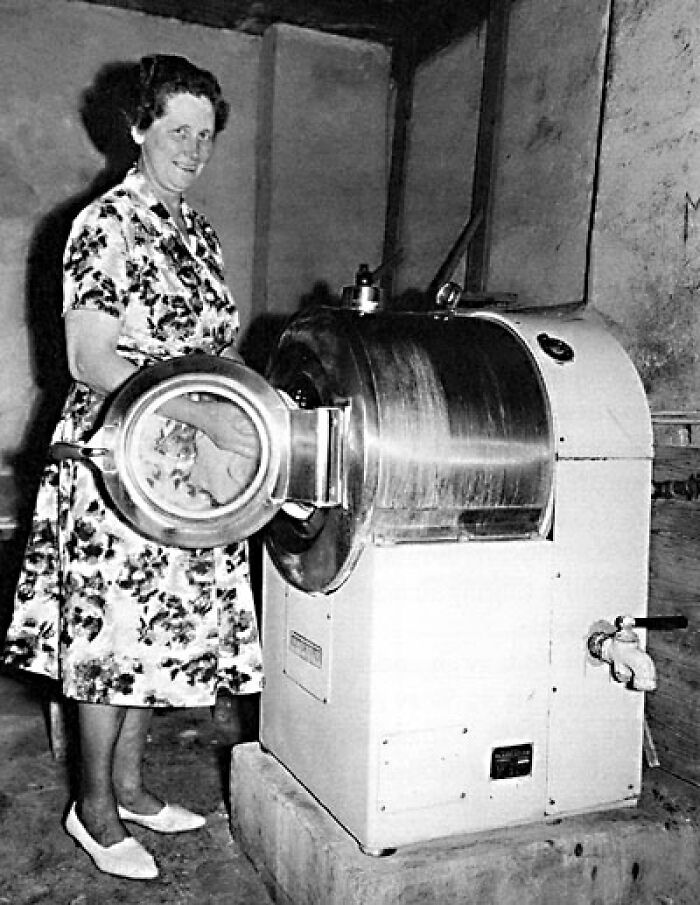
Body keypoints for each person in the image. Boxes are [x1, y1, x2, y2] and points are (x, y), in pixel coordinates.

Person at [2, 54, 263, 881]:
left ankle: (131, 786)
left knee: (154, 632)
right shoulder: (106, 223)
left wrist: (247, 418)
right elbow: (90, 359)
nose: (192, 148)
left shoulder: (197, 232)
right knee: (109, 639)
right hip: (119, 457)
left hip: (185, 470)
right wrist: (208, 416)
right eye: (177, 129)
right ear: (138, 127)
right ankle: (94, 808)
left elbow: (212, 348)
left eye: (206, 135)